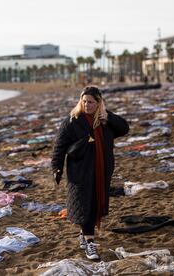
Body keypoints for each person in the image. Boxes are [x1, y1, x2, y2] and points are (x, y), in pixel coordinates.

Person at [51, 86, 129, 260]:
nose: (87, 105)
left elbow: (124, 128)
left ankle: (84, 236)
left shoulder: (104, 119)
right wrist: (56, 167)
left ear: (99, 102)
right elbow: (59, 146)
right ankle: (90, 244)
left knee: (94, 206)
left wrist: (109, 118)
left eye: (91, 102)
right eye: (84, 101)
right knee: (85, 206)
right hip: (80, 172)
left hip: (102, 171)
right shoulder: (72, 120)